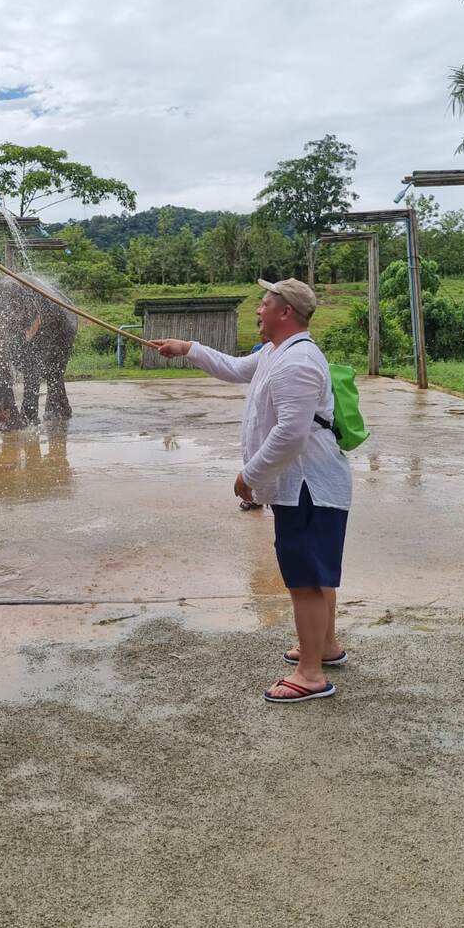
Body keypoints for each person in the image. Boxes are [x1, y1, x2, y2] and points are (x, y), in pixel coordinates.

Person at [154, 278, 352, 703]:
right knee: (316, 573)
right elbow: (234, 368)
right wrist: (188, 348)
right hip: (305, 484)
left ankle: (311, 674)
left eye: (264, 304)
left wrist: (251, 475)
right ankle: (326, 645)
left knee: (305, 581)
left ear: (286, 313)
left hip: (308, 486)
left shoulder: (298, 362)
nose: (257, 311)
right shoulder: (273, 353)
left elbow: (291, 434)